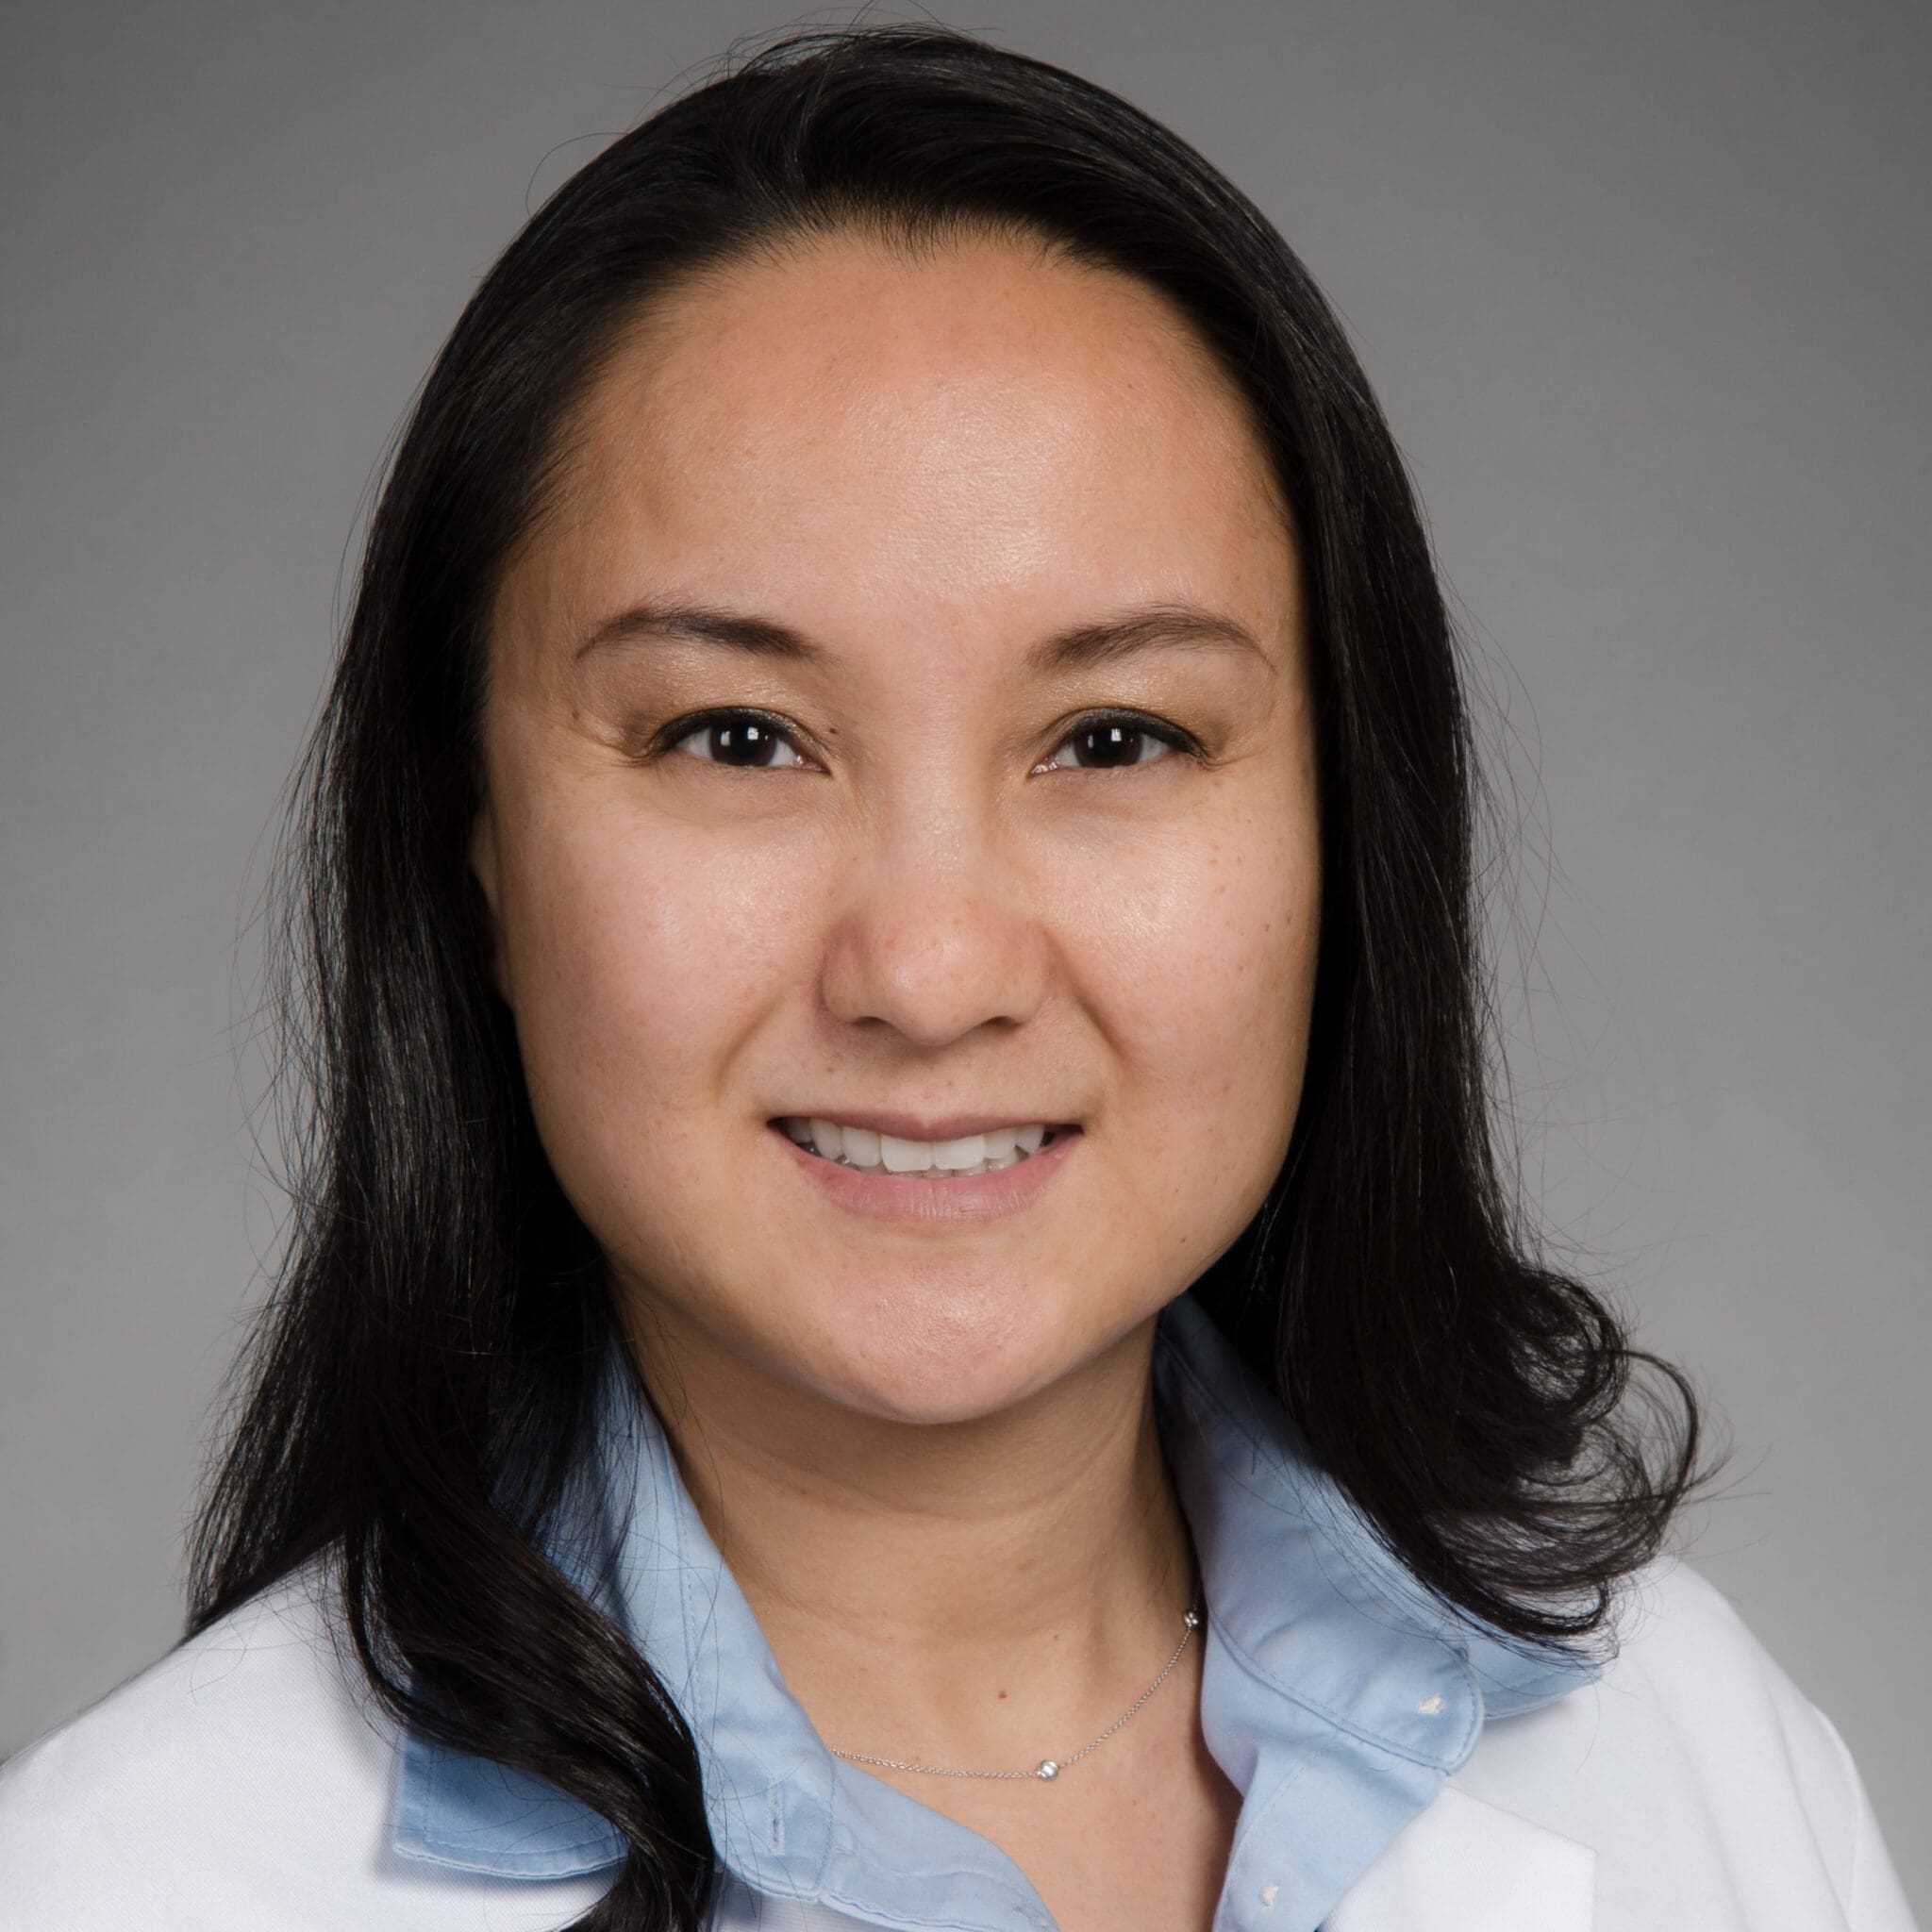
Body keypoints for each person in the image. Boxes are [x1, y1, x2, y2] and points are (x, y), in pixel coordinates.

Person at [0, 22, 1914, 1932]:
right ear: (470, 848)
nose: (929, 970)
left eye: (1113, 739)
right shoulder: (130, 1885)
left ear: (1349, 833)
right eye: (739, 738)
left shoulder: (1695, 1748)